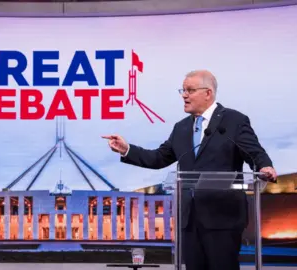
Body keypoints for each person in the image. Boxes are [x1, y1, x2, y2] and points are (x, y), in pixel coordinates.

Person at [102, 70, 277, 270]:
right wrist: (127, 150)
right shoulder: (181, 128)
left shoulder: (233, 121)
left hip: (222, 216)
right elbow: (159, 157)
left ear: (208, 93)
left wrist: (265, 166)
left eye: (190, 90)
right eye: (183, 90)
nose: (184, 95)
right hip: (190, 219)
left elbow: (253, 151)